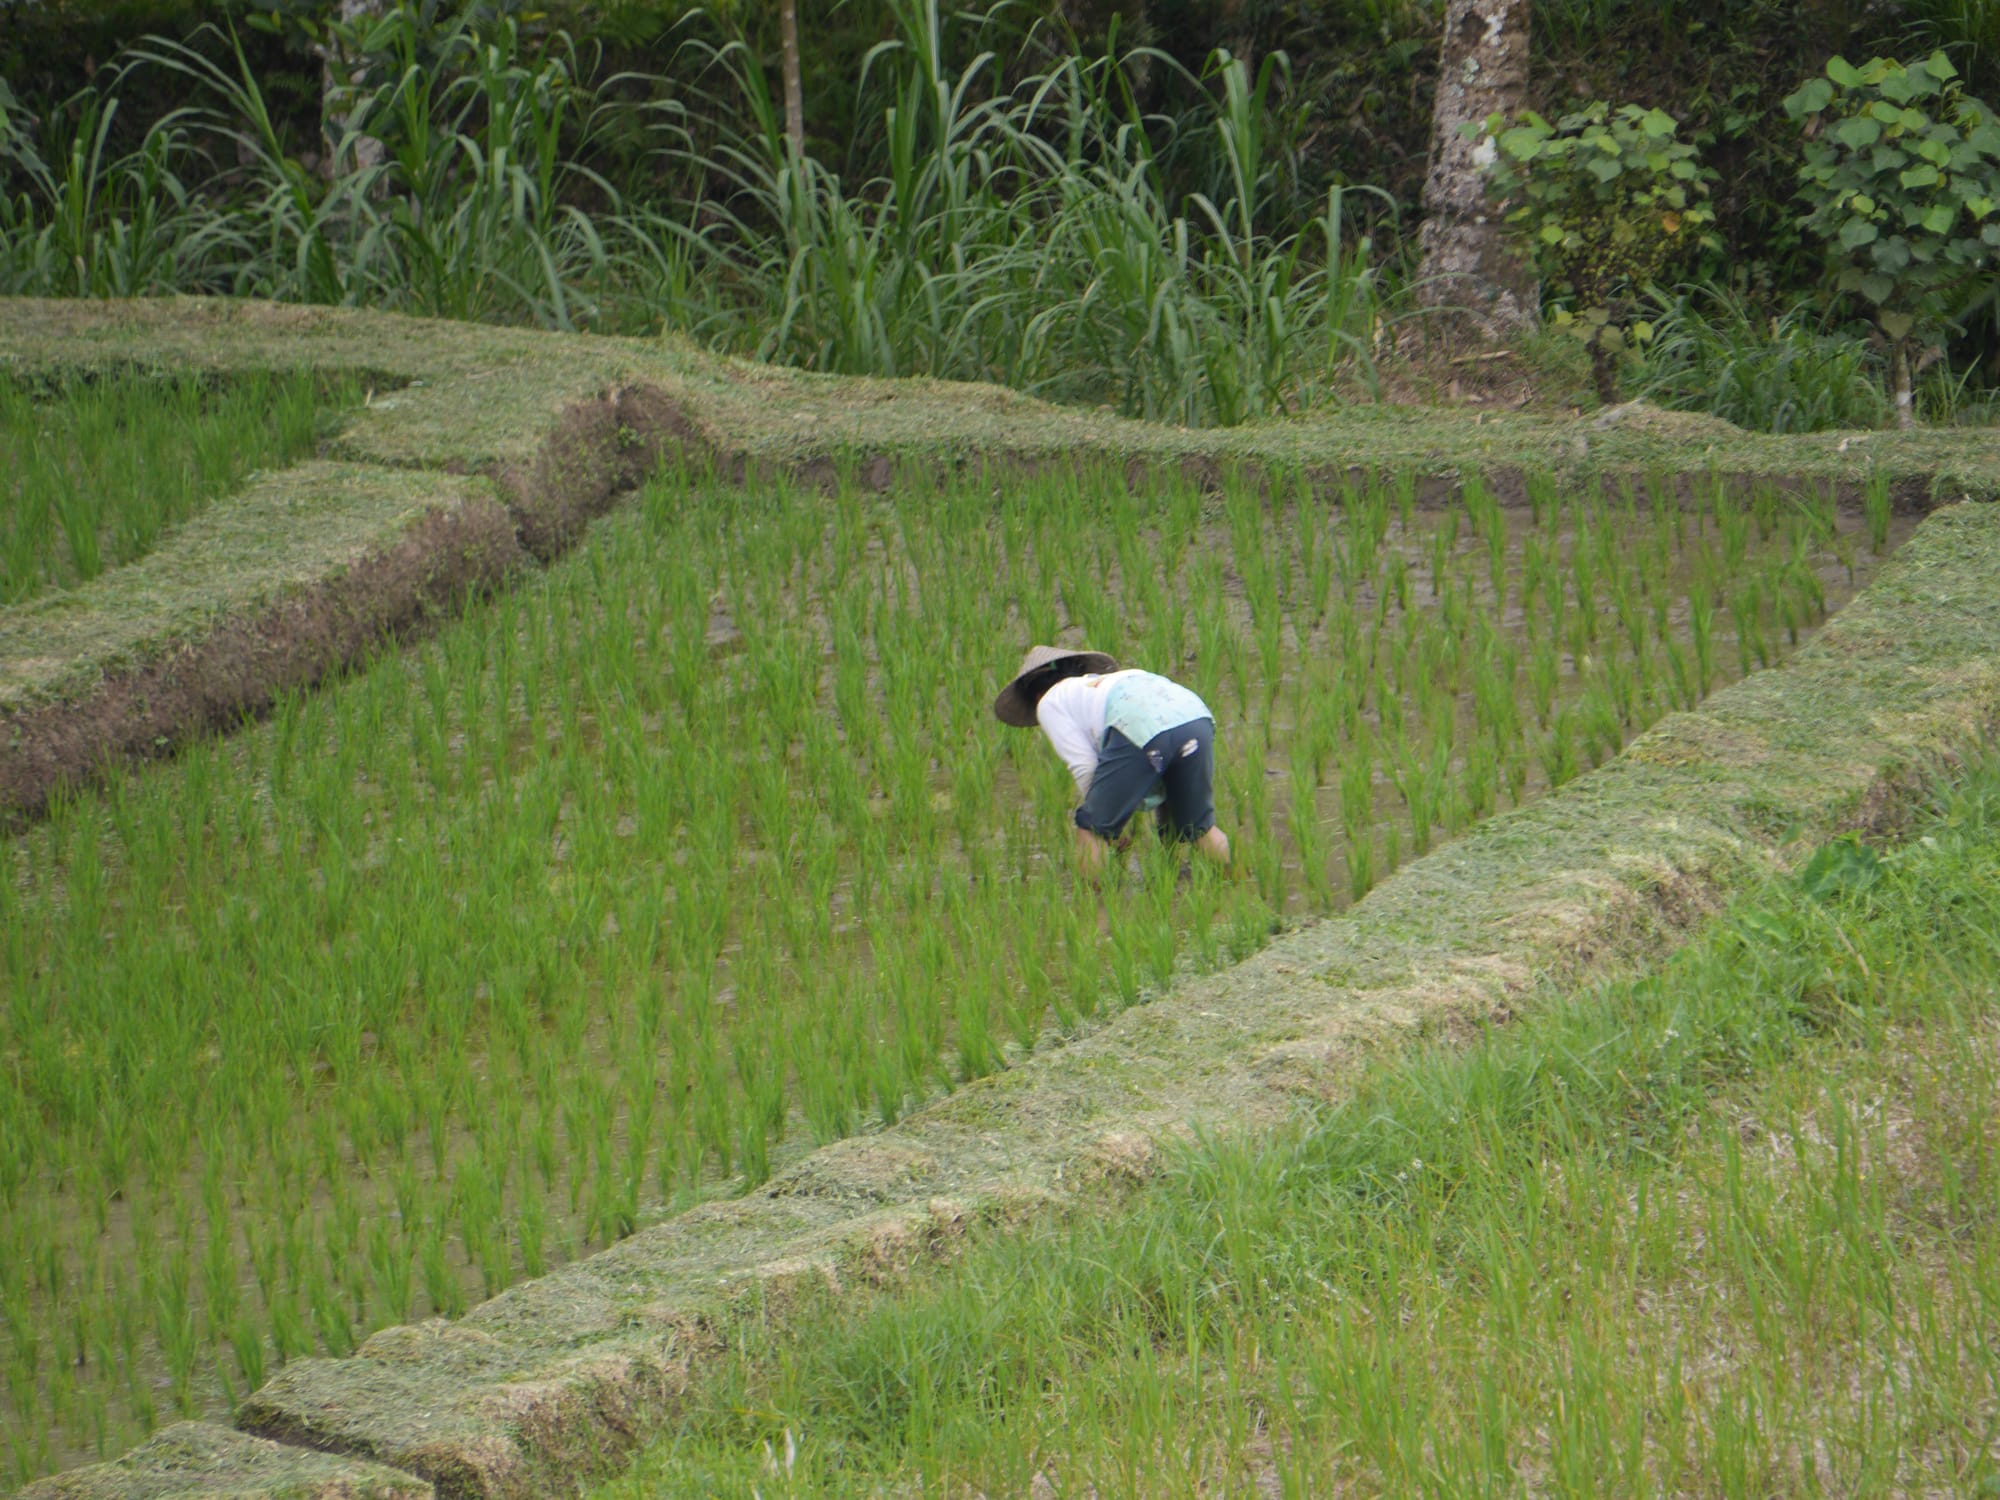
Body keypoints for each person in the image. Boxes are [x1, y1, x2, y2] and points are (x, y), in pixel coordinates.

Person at [993, 645, 1231, 873]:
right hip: (1196, 717)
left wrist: (1103, 820)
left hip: (1141, 727)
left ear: (1033, 695)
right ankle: (1231, 883)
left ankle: (1091, 905)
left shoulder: (1049, 702)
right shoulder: (1112, 681)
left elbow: (1085, 767)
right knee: (1200, 828)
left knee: (1090, 830)